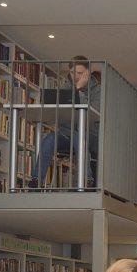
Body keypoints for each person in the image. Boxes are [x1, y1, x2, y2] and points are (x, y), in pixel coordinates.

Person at [32, 55, 101, 188]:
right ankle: (36, 180)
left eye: (80, 73)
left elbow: (92, 114)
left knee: (78, 138)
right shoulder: (65, 88)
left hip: (90, 135)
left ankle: (86, 180)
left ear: (87, 73)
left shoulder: (98, 91)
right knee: (49, 139)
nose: (76, 76)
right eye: (72, 72)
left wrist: (78, 90)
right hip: (66, 134)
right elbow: (58, 112)